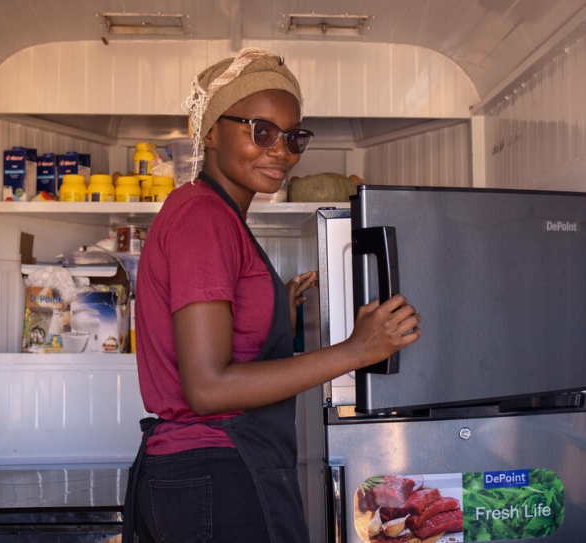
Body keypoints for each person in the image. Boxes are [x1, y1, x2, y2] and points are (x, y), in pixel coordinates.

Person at [123, 48, 422, 542]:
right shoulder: (203, 218)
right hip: (217, 474)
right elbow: (208, 389)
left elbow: (215, 350)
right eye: (261, 131)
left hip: (212, 473)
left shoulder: (213, 215)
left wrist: (270, 316)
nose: (281, 150)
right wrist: (356, 351)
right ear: (212, 131)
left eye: (294, 137)